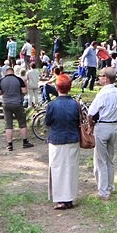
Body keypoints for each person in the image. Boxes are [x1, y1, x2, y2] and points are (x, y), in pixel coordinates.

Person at [45, 74, 80, 210]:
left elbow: (47, 122)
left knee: (57, 169)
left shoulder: (52, 105)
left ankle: (60, 199)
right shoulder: (75, 104)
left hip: (56, 139)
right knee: (71, 168)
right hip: (72, 138)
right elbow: (78, 121)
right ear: (69, 88)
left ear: (57, 87)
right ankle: (70, 197)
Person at [88, 67, 117, 200]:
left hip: (102, 126)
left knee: (101, 159)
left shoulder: (103, 93)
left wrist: (90, 127)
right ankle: (110, 185)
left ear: (106, 78)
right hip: (113, 126)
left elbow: (91, 113)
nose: (99, 78)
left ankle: (103, 190)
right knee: (109, 158)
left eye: (101, 76)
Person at [0, 66, 33, 151]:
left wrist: (5, 91)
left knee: (8, 124)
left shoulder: (2, 80)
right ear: (13, 72)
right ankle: (25, 142)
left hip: (6, 104)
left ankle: (9, 145)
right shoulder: (18, 79)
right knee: (22, 123)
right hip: (17, 103)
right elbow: (24, 91)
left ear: (6, 72)